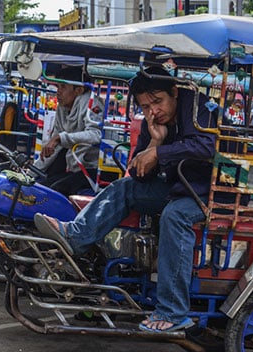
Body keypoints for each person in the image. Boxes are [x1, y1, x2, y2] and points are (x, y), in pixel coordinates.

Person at [35, 66, 218, 333]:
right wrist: (154, 144)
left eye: (157, 102)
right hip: (176, 187)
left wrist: (160, 153)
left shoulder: (198, 107)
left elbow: (206, 147)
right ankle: (75, 237)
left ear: (175, 93)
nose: (152, 111)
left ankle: (173, 312)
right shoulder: (152, 121)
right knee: (124, 187)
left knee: (175, 216)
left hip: (207, 192)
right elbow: (138, 174)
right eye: (145, 106)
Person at [33, 66, 103, 196]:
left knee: (58, 189)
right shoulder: (62, 108)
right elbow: (54, 146)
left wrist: (61, 138)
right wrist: (32, 172)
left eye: (63, 87)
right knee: (42, 186)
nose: (58, 92)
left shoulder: (91, 104)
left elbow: (96, 134)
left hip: (93, 168)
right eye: (58, 87)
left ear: (79, 90)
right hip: (73, 165)